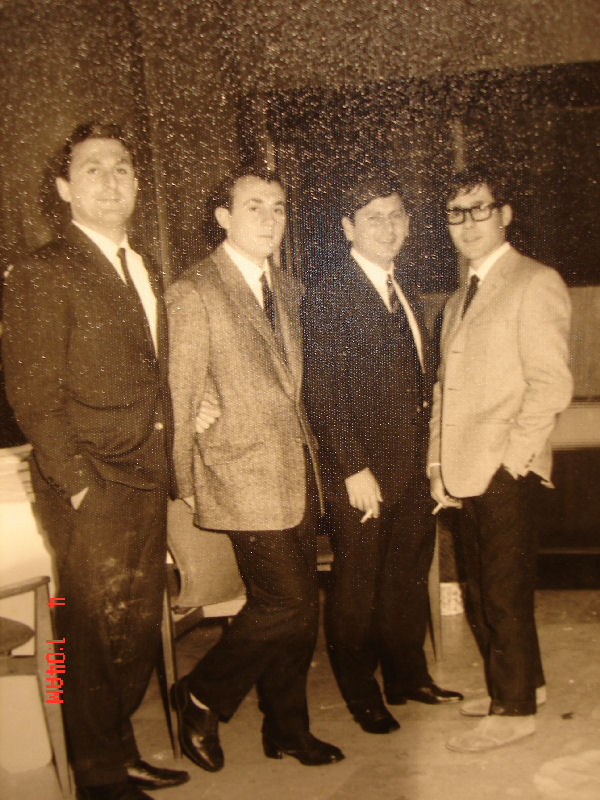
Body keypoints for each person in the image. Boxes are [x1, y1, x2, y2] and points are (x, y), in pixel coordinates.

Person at [2, 123, 189, 799]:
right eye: (92, 169)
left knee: (132, 629)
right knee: (89, 631)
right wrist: (79, 484)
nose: (111, 180)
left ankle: (120, 751)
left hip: (145, 474)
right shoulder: (43, 270)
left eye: (122, 167)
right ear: (63, 188)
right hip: (92, 484)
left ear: (136, 182)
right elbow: (32, 395)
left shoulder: (143, 266)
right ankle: (98, 777)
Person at [166, 165, 344, 771]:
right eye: (254, 207)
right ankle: (201, 694)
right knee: (285, 603)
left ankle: (287, 729)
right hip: (238, 475)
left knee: (301, 609)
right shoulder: (194, 290)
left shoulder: (287, 288)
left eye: (278, 208)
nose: (270, 220)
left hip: (296, 472)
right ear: (223, 217)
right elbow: (181, 394)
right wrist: (187, 484)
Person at [302, 175, 462, 736]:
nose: (388, 227)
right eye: (374, 217)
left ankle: (406, 677)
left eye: (397, 216)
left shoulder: (403, 287)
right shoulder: (329, 294)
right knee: (357, 586)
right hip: (363, 473)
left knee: (405, 578)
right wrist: (352, 468)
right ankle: (360, 693)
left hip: (413, 469)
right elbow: (321, 391)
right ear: (348, 228)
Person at [429, 164, 573, 752]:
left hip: (506, 468)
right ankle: (524, 684)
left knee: (502, 593)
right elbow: (445, 389)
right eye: (455, 214)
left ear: (505, 214)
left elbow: (551, 384)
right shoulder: (458, 297)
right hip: (465, 468)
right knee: (485, 586)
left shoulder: (534, 281)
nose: (467, 224)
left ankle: (513, 711)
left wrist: (510, 461)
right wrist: (438, 466)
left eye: (480, 209)